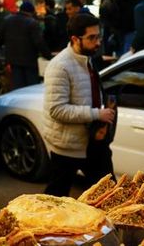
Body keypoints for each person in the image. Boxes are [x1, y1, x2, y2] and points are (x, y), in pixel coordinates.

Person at [42, 13, 116, 197]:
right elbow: (57, 109)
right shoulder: (60, 66)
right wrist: (96, 114)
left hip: (93, 140)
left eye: (98, 36)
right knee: (57, 197)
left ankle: (108, 226)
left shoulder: (87, 57)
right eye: (92, 37)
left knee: (109, 194)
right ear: (75, 39)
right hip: (68, 145)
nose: (98, 42)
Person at [0, 0, 49, 91]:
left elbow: (0, 40)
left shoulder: (7, 20)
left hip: (12, 60)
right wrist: (48, 56)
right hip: (29, 60)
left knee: (17, 87)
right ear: (31, 12)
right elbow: (39, 42)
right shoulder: (32, 23)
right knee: (31, 88)